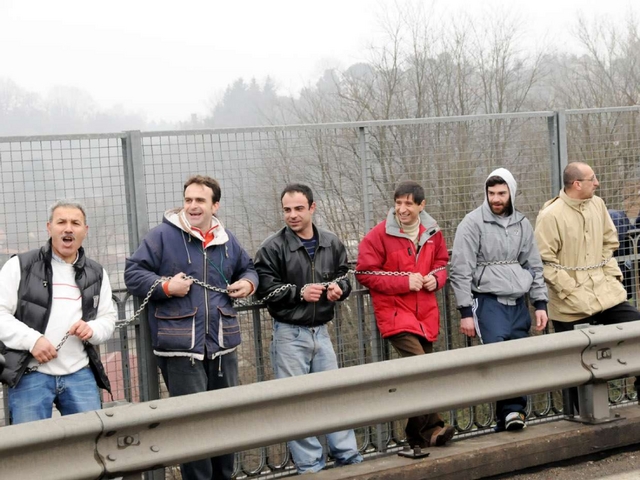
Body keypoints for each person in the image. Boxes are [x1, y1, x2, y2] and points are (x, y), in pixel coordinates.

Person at [124, 175, 258, 480]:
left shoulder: (228, 240)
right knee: (193, 426)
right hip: (181, 348)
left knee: (225, 420)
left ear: (215, 205)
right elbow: (133, 273)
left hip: (223, 346)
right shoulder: (161, 236)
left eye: (200, 200)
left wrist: (249, 282)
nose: (193, 206)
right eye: (188, 200)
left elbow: (248, 267)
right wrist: (166, 286)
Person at [254, 183, 363, 474]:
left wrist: (340, 288)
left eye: (299, 208)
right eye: (287, 209)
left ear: (312, 208)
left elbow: (344, 275)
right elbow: (264, 290)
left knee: (333, 396)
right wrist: (299, 293)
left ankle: (348, 457)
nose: (292, 215)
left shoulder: (331, 242)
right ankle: (310, 466)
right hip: (289, 333)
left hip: (321, 330)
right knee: (295, 403)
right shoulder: (272, 247)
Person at [355, 180, 456, 448]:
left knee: (422, 374)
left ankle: (425, 432)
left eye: (408, 203)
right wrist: (404, 282)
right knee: (423, 370)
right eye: (398, 203)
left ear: (421, 206)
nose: (402, 209)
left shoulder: (433, 232)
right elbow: (365, 272)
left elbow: (442, 264)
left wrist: (437, 279)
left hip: (425, 315)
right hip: (397, 316)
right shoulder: (378, 235)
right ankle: (421, 431)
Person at [534, 162, 640, 411]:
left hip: (606, 293)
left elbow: (609, 241)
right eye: (593, 178)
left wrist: (610, 275)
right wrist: (571, 290)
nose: (597, 183)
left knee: (636, 328)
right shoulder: (550, 215)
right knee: (574, 363)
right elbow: (544, 262)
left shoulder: (598, 205)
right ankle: (576, 418)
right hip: (570, 303)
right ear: (576, 184)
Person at [449, 168, 548, 431]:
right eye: (491, 193)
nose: (496, 198)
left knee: (519, 356)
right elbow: (460, 269)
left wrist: (540, 303)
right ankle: (510, 412)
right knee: (498, 358)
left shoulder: (522, 223)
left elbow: (534, 265)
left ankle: (513, 415)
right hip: (487, 300)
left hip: (518, 301)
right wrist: (465, 311)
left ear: (511, 193)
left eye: (501, 193)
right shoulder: (472, 223)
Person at [0, 200, 116, 424]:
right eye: (61, 222)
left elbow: (108, 319)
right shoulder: (19, 266)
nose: (68, 228)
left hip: (80, 374)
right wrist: (32, 340)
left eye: (76, 223)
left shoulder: (97, 273)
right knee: (31, 449)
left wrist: (91, 329)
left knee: (90, 445)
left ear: (85, 230)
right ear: (49, 227)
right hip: (30, 375)